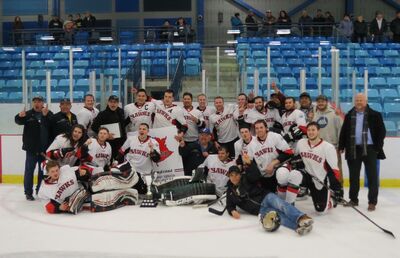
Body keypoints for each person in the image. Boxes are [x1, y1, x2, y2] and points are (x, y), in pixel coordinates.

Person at [226, 165, 313, 235]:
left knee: (282, 205)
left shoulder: (247, 178)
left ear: (240, 175)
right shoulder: (230, 192)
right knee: (279, 218)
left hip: (266, 197)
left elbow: (255, 175)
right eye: (232, 175)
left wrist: (249, 164)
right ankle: (298, 227)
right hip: (259, 209)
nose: (234, 178)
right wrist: (232, 211)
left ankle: (302, 218)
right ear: (229, 177)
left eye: (236, 175)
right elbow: (229, 205)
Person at [339, 94, 386, 211]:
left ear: (366, 101)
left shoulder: (375, 115)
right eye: (357, 100)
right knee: (353, 176)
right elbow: (344, 131)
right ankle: (353, 199)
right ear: (354, 102)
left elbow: (382, 132)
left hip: (370, 149)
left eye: (361, 100)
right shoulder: (349, 115)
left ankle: (372, 202)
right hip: (353, 149)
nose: (359, 102)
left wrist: (377, 148)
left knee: (372, 177)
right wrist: (341, 145)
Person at [38, 160, 140, 214]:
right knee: (95, 201)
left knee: (97, 182)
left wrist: (83, 172)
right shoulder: (44, 189)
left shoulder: (66, 170)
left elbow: (82, 169)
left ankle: (125, 174)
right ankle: (124, 196)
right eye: (53, 171)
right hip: (76, 202)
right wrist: (59, 208)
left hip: (85, 187)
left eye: (57, 170)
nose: (56, 173)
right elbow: (48, 206)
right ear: (47, 173)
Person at [291, 122, 343, 211]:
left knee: (320, 210)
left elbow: (334, 170)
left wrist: (337, 188)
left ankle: (331, 200)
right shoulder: (301, 143)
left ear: (318, 131)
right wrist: (296, 162)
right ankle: (290, 202)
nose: (311, 132)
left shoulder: (328, 147)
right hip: (306, 176)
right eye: (309, 130)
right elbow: (294, 156)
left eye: (313, 130)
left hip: (319, 179)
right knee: (293, 174)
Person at [15, 96, 52, 200]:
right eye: (35, 101)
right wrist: (19, 116)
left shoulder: (48, 113)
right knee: (29, 171)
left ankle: (39, 190)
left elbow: (52, 125)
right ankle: (28, 192)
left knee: (42, 171)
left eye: (39, 102)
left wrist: (45, 116)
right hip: (31, 150)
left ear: (42, 103)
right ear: (32, 103)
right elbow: (18, 121)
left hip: (44, 150)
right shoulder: (28, 114)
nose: (37, 103)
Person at [244, 120, 294, 192]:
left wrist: (273, 163)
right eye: (257, 128)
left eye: (261, 127)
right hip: (264, 177)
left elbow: (289, 153)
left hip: (278, 170)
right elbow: (250, 164)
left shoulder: (275, 136)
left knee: (282, 175)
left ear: (266, 128)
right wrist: (247, 162)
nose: (259, 130)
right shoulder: (251, 145)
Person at [311, 95, 343, 184]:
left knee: (335, 170)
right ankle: (323, 191)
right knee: (320, 171)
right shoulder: (315, 115)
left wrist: (340, 146)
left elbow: (341, 129)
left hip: (333, 147)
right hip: (319, 148)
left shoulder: (334, 114)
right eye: (319, 101)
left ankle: (338, 191)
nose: (320, 103)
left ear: (326, 102)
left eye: (322, 101)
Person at [92, 95, 127, 160]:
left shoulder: (121, 112)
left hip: (120, 143)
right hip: (108, 143)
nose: (113, 104)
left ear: (118, 103)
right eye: (111, 102)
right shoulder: (102, 114)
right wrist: (106, 135)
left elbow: (122, 126)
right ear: (108, 103)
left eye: (115, 102)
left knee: (119, 162)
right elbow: (93, 127)